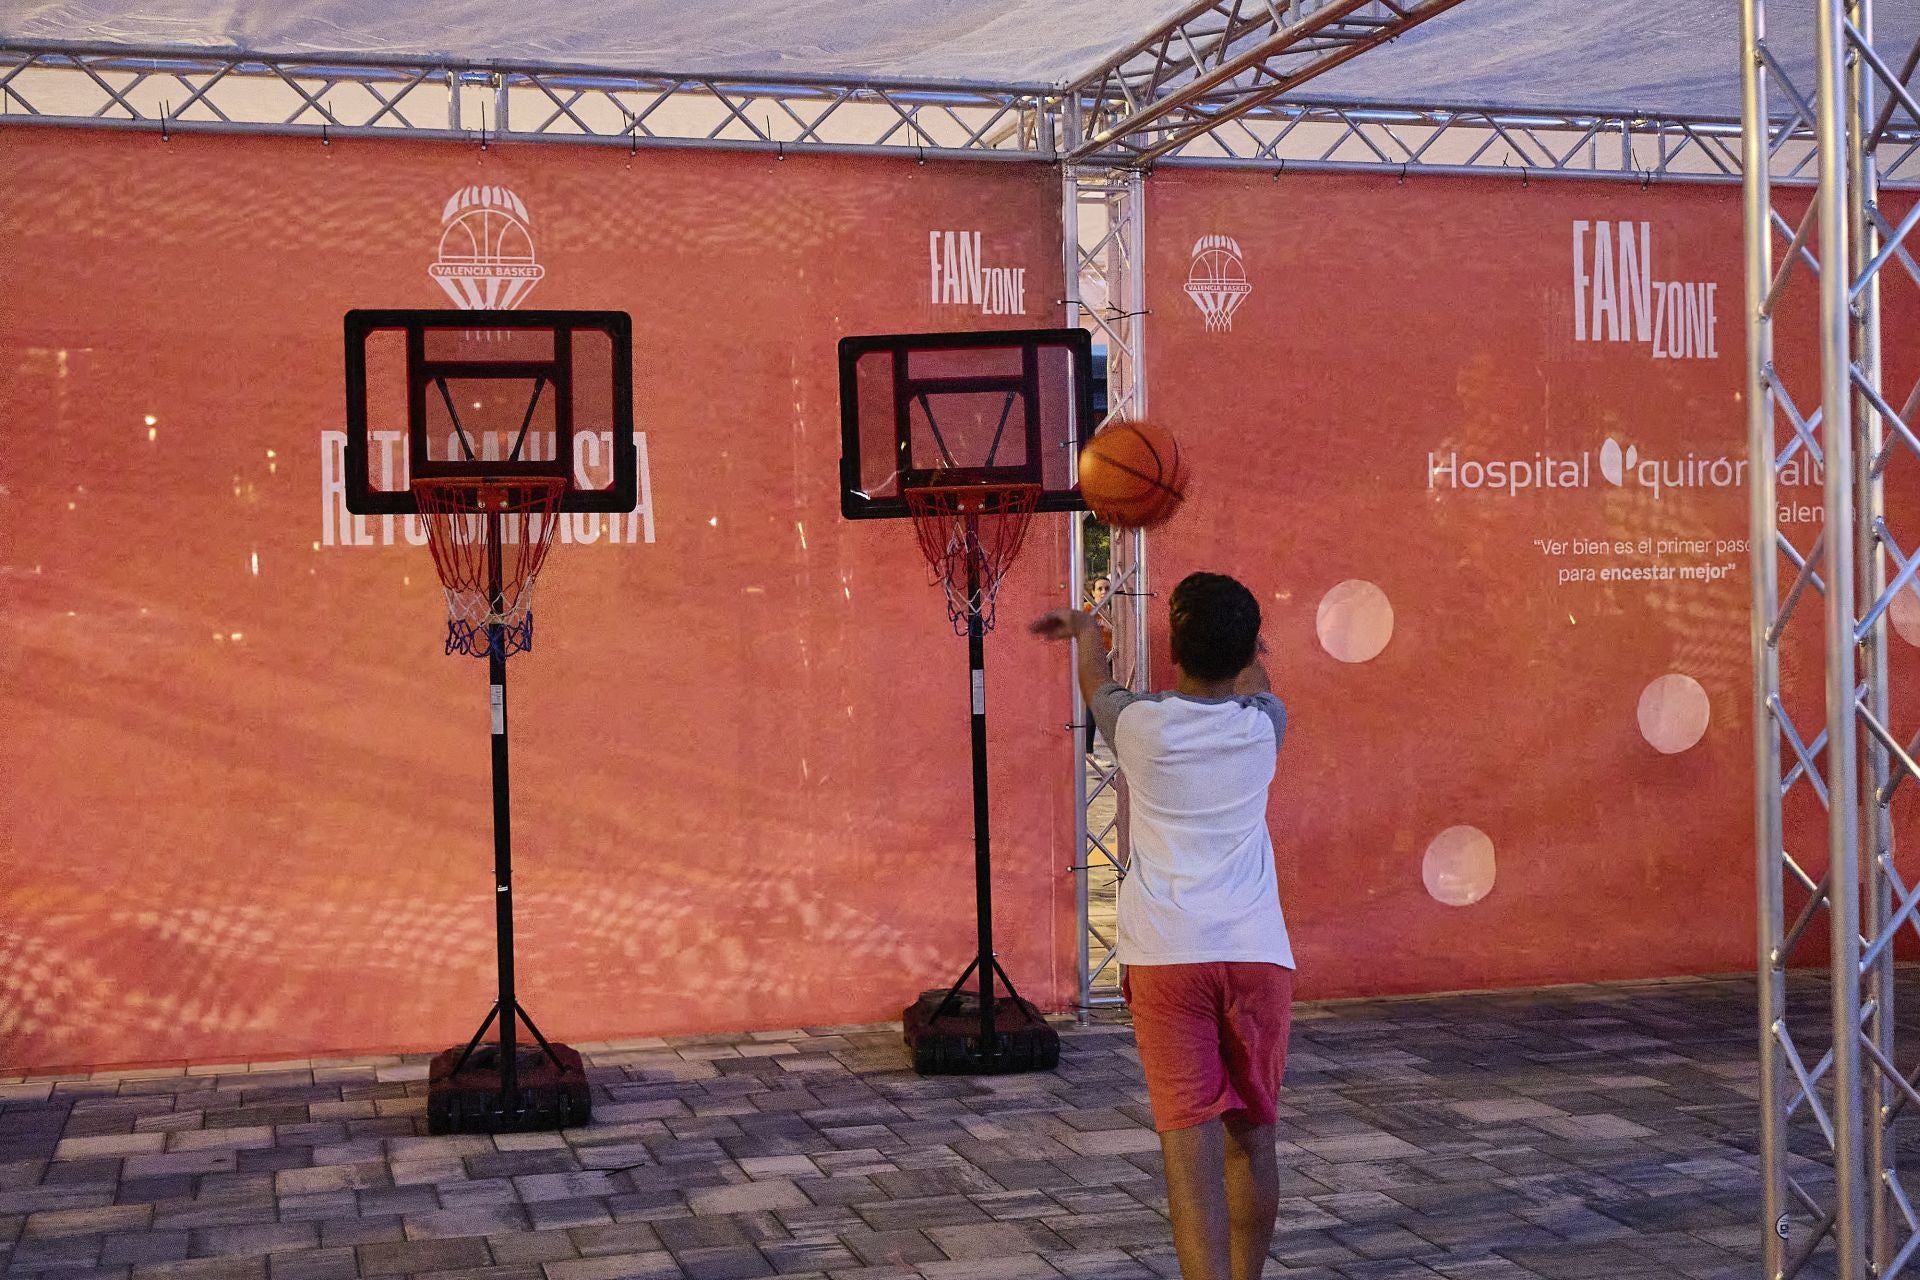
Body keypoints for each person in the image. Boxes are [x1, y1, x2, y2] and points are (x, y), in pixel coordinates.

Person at [1033, 571, 1293, 1280]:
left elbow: (1094, 681)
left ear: (1172, 646)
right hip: (1256, 956)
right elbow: (1259, 679)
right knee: (1253, 1139)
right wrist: (1249, 649)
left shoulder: (1137, 726)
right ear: (1248, 652)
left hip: (1167, 959)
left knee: (1189, 1154)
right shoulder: (1264, 723)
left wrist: (1087, 632)